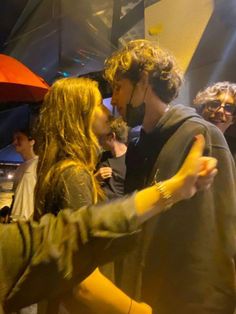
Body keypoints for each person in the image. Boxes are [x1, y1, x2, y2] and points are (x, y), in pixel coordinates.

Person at [0, 133, 217, 314]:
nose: (109, 109)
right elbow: (69, 245)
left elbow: (60, 237)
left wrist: (173, 189)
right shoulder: (74, 174)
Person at [104, 39, 236, 314]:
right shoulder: (137, 142)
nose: (114, 100)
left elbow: (215, 241)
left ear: (143, 81)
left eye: (118, 88)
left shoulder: (201, 137)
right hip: (138, 296)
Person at [0, 129, 38, 222]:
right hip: (14, 221)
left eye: (19, 138)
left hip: (28, 223)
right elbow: (17, 196)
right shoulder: (20, 168)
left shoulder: (39, 164)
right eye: (14, 139)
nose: (14, 142)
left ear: (32, 141)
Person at [193, 81, 236, 162]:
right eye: (214, 104)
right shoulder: (184, 134)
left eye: (228, 108)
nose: (220, 111)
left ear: (233, 119)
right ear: (202, 109)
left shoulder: (232, 158)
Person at [95, 114, 128, 199]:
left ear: (111, 137)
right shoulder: (101, 157)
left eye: (101, 137)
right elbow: (89, 185)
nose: (99, 142)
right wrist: (96, 178)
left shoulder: (131, 159)